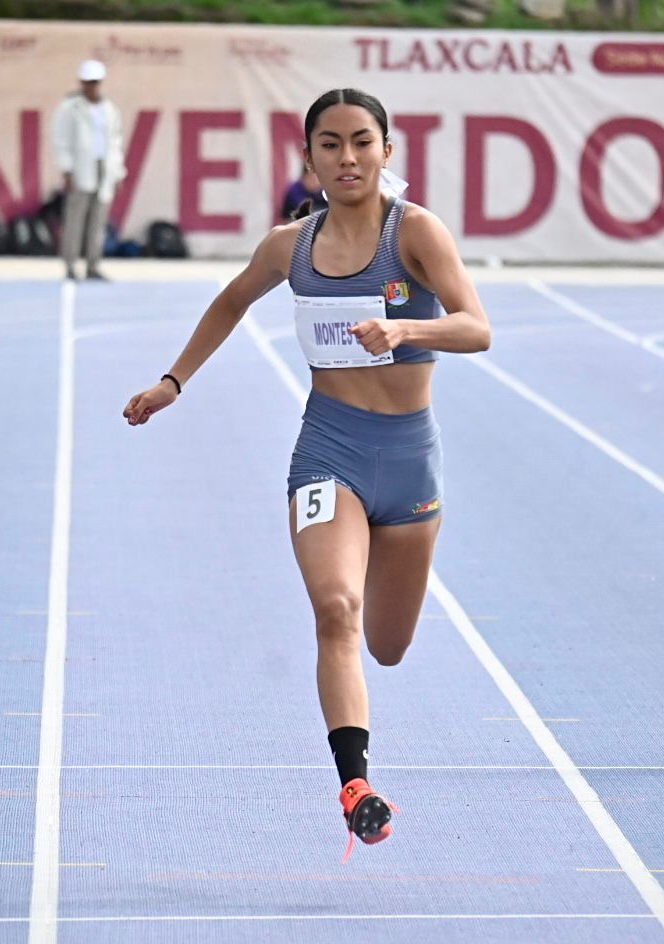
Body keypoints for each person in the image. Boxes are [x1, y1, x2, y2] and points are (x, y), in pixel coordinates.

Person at [123, 88, 489, 857]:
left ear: (388, 151)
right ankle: (355, 782)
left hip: (410, 456)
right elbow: (228, 303)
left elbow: (476, 327)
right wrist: (172, 381)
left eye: (362, 141)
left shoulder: (414, 233)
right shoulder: (289, 245)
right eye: (330, 143)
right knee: (335, 608)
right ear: (310, 157)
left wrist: (403, 327)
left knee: (387, 644)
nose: (347, 157)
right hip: (329, 448)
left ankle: (363, 727)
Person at [53, 59, 126, 281]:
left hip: (103, 166)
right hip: (80, 167)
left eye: (95, 82)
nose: (91, 86)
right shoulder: (69, 107)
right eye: (88, 82)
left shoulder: (109, 109)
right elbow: (61, 139)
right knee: (75, 218)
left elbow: (115, 141)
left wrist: (118, 172)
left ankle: (93, 264)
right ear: (82, 82)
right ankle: (70, 263)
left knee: (98, 220)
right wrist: (66, 168)